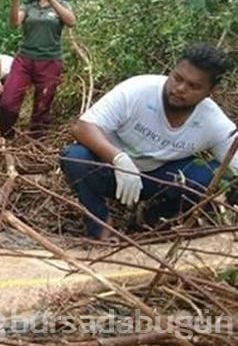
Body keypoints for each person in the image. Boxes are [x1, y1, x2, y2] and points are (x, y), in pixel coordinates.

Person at [60, 43, 237, 241]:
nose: (179, 89)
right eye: (177, 78)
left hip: (159, 179)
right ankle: (101, 228)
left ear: (211, 91)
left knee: (216, 176)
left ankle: (153, 220)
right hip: (112, 171)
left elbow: (234, 167)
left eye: (193, 86)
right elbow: (82, 127)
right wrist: (118, 158)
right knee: (76, 157)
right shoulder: (138, 91)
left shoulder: (213, 122)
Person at [0, 0, 75, 139]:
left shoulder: (62, 4)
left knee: (42, 108)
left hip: (50, 61)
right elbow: (14, 24)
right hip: (25, 59)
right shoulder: (28, 6)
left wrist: (51, 0)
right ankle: (6, 136)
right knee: (8, 102)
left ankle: (35, 143)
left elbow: (71, 21)